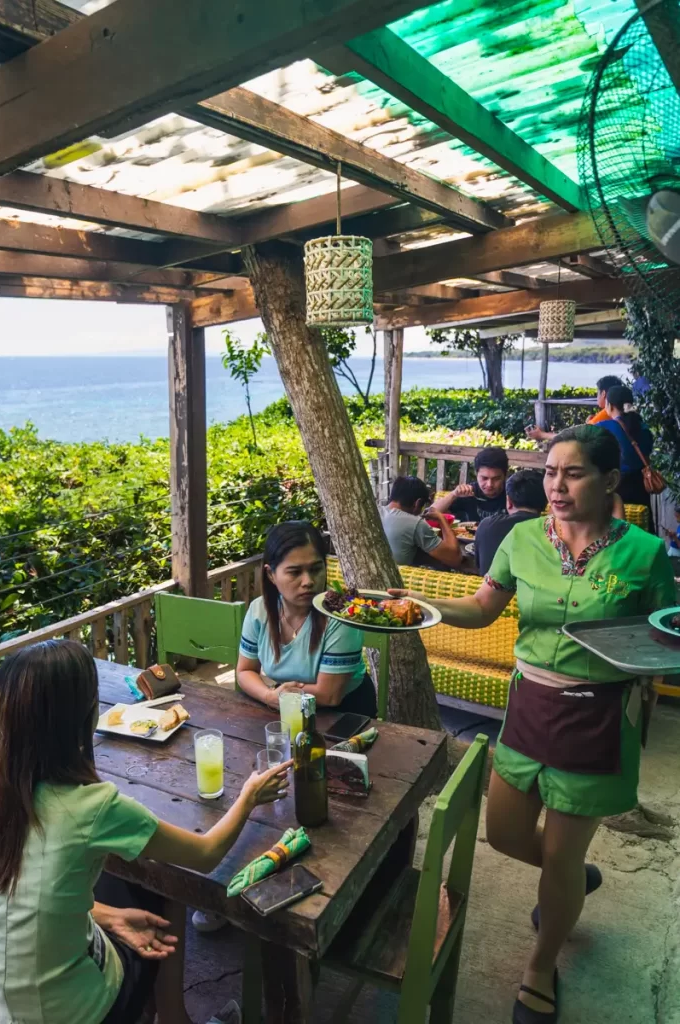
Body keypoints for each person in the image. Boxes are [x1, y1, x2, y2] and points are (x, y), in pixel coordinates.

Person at [388, 425, 675, 1023]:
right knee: (509, 836)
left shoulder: (643, 554)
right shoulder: (521, 539)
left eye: (573, 473)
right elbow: (484, 607)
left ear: (608, 481)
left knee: (562, 855)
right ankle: (568, 882)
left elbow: (659, 635)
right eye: (550, 472)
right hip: (529, 707)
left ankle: (541, 964)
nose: (557, 486)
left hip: (598, 715)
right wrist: (425, 608)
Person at [0, 639, 288, 1024]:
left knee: (116, 889)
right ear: (79, 717)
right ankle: (172, 1018)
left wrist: (110, 916)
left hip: (2, 996)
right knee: (163, 888)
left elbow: (24, 898)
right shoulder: (94, 807)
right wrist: (249, 796)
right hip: (70, 1011)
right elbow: (206, 853)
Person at [236, 521, 377, 717]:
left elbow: (329, 695)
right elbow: (244, 671)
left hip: (343, 715)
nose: (308, 581)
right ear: (271, 574)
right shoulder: (260, 611)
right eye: (295, 572)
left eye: (316, 569)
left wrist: (282, 695)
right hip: (286, 708)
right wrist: (269, 696)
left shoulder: (342, 617)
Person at [474, 470, 547, 575]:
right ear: (545, 503)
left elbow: (479, 565)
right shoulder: (554, 531)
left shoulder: (486, 526)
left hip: (489, 589)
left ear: (509, 502)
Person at [380, 476, 461, 568]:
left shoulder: (376, 511)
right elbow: (455, 558)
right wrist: (442, 519)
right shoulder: (415, 523)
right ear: (417, 503)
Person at [598, 383, 655, 513]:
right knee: (641, 523)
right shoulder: (644, 427)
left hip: (616, 486)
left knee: (617, 528)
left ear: (610, 406)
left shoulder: (604, 426)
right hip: (640, 485)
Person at [526, 375, 623, 442]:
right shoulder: (622, 413)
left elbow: (574, 437)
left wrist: (541, 435)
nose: (597, 396)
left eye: (597, 393)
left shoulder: (606, 414)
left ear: (603, 394)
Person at [430, 446, 509, 524]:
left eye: (496, 479)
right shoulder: (468, 492)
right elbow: (429, 514)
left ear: (505, 475)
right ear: (476, 474)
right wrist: (454, 494)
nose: (489, 484)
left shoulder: (512, 493)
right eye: (484, 478)